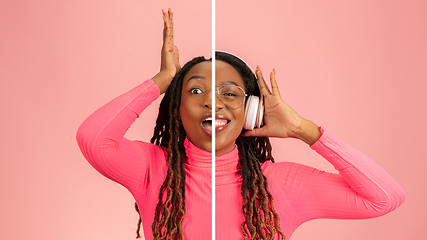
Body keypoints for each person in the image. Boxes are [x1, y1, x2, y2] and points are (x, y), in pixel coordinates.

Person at [76, 9, 405, 240]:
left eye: (229, 93)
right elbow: (93, 139)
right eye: (195, 90)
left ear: (251, 111)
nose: (212, 101)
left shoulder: (282, 183)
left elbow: (383, 198)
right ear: (178, 109)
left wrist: (304, 130)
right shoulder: (152, 169)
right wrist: (161, 81)